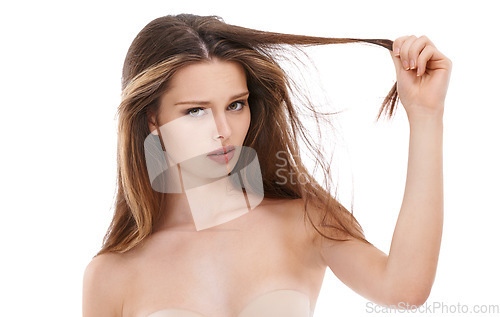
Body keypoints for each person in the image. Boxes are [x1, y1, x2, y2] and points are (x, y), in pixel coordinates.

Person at [82, 14, 452, 317]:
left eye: (235, 105)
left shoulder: (305, 221)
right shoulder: (111, 276)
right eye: (196, 111)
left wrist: (425, 115)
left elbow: (404, 289)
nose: (223, 131)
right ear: (152, 121)